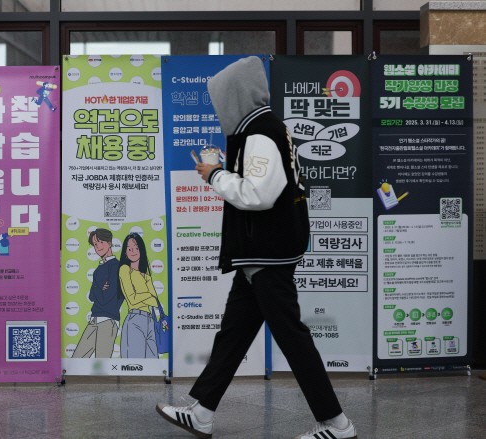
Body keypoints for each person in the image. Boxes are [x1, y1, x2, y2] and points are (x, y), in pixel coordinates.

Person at [156, 56, 357, 439]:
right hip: (264, 253)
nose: (219, 111)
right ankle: (202, 412)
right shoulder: (268, 128)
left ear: (234, 97)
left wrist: (215, 175)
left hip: (267, 253)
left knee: (292, 338)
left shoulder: (259, 134)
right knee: (233, 334)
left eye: (220, 101)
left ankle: (337, 424)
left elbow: (258, 195)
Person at [72, 228, 124, 358]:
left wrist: (98, 288)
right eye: (95, 244)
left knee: (102, 362)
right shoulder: (98, 269)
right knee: (77, 358)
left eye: (101, 242)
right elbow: (91, 296)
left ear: (109, 243)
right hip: (94, 319)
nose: (98, 247)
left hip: (108, 320)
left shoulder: (117, 267)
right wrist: (100, 287)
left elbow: (105, 298)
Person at [118, 232, 163, 358]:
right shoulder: (125, 269)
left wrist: (142, 296)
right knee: (134, 363)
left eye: (136, 248)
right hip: (134, 319)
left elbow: (155, 302)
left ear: (141, 250)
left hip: (150, 321)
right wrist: (148, 295)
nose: (133, 251)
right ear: (125, 252)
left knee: (153, 363)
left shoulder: (146, 276)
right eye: (129, 249)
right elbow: (132, 299)